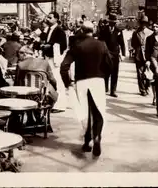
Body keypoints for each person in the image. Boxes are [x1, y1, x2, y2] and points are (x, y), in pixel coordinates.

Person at [60, 21, 113, 157]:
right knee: (98, 111)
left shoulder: (77, 46)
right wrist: (103, 76)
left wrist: (68, 83)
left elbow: (64, 66)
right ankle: (97, 136)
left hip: (81, 82)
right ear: (93, 30)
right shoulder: (101, 45)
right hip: (97, 81)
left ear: (82, 31)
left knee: (84, 111)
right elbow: (110, 64)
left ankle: (87, 140)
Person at [43, 11, 68, 112]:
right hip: (48, 58)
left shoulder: (60, 31)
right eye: (47, 17)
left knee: (58, 81)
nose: (47, 19)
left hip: (55, 60)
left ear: (56, 19)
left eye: (50, 18)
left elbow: (63, 45)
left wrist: (50, 45)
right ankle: (52, 101)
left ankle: (61, 104)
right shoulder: (48, 29)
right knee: (50, 81)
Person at [98, 14, 126, 97]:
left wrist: (123, 54)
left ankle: (113, 90)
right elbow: (100, 41)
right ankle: (105, 87)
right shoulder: (104, 29)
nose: (113, 24)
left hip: (115, 54)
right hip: (106, 53)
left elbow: (122, 43)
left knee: (114, 72)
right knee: (105, 71)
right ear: (109, 22)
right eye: (111, 22)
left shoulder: (119, 30)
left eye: (114, 22)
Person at [131, 16, 153, 96]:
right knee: (140, 73)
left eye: (145, 23)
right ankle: (142, 89)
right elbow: (133, 44)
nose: (143, 25)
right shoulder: (136, 32)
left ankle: (147, 86)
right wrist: (136, 49)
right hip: (139, 55)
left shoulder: (151, 32)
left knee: (148, 73)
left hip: (148, 56)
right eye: (142, 23)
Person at [145, 21, 158, 105]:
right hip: (152, 61)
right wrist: (147, 60)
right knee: (154, 80)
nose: (155, 28)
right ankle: (155, 96)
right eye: (154, 27)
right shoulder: (149, 38)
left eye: (157, 27)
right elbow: (147, 51)